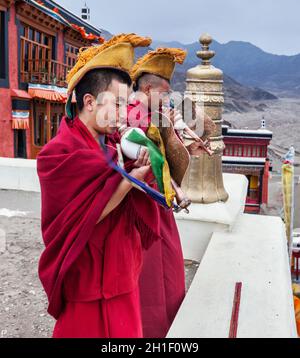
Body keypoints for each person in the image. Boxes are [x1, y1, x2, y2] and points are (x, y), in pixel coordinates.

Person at [37, 34, 160, 338]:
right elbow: (87, 215)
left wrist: (145, 169)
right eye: (117, 104)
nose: (122, 113)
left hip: (122, 276)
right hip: (87, 285)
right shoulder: (57, 154)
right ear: (89, 102)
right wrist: (130, 181)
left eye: (125, 104)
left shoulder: (115, 143)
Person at [127, 47, 216, 338]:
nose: (169, 98)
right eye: (165, 93)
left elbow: (174, 152)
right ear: (148, 88)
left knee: (169, 277)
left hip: (159, 207)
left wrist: (180, 136)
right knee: (151, 286)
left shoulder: (155, 114)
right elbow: (146, 161)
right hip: (140, 211)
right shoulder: (133, 115)